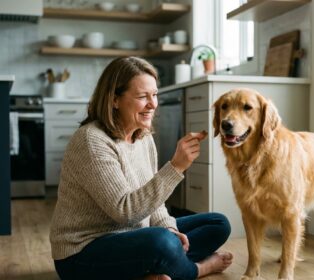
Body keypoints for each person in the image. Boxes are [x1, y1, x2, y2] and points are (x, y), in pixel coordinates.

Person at [49, 56, 233, 280]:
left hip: (134, 236)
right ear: (114, 99)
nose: (153, 104)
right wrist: (175, 167)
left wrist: (170, 228)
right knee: (161, 243)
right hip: (82, 254)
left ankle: (152, 269)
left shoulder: (143, 137)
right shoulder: (92, 141)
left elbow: (152, 200)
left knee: (218, 224)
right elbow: (126, 211)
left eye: (154, 95)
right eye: (142, 97)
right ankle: (196, 269)